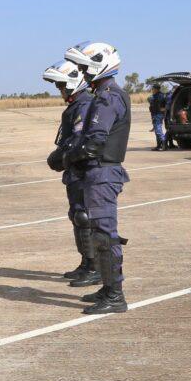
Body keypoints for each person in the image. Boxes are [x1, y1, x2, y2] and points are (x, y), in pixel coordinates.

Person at [63, 41, 130, 314]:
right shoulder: (102, 93)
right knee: (99, 232)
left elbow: (94, 142)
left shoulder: (108, 97)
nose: (81, 72)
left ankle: (115, 295)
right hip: (97, 173)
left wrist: (68, 157)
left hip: (102, 173)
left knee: (105, 235)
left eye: (83, 66)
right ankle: (107, 287)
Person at [43, 60, 95, 285]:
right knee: (76, 215)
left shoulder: (84, 105)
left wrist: (62, 157)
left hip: (85, 171)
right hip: (74, 172)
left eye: (62, 85)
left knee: (85, 217)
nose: (60, 90)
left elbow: (78, 140)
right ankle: (85, 263)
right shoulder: (75, 105)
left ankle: (94, 267)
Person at [148, 84, 170, 151]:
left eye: (153, 89)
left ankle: (164, 145)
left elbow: (165, 105)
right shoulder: (157, 96)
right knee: (157, 131)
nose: (152, 90)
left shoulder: (159, 96)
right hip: (156, 114)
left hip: (158, 114)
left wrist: (163, 109)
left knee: (158, 130)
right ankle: (158, 146)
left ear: (156, 89)